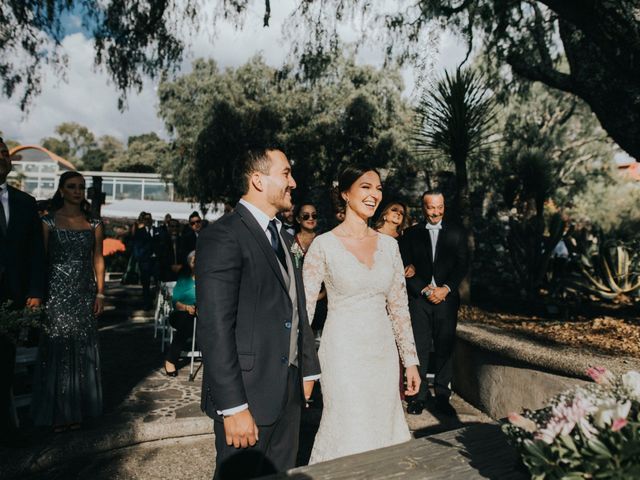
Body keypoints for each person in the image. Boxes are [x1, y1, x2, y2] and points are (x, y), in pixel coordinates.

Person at [195, 148, 321, 480]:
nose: (293, 182)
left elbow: (297, 305)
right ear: (258, 180)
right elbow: (215, 327)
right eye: (286, 174)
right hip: (247, 397)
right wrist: (233, 408)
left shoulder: (285, 236)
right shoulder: (223, 235)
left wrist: (307, 369)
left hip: (288, 392)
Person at [302, 164, 420, 464]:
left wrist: (411, 362)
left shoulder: (390, 247)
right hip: (342, 355)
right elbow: (304, 311)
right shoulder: (323, 245)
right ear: (346, 193)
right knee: (348, 430)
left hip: (382, 355)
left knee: (384, 430)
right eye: (366, 187)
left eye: (379, 188)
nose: (375, 194)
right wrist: (305, 368)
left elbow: (399, 308)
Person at [31, 171, 105, 431]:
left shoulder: (94, 223)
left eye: (81, 187)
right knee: (57, 348)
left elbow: (98, 258)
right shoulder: (48, 222)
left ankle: (79, 411)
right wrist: (37, 294)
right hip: (56, 293)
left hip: (84, 293)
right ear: (61, 190)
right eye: (72, 187)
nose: (77, 191)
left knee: (82, 348)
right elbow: (40, 259)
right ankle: (58, 413)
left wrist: (100, 293)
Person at [399, 190, 468, 416]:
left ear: (444, 206)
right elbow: (405, 266)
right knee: (419, 347)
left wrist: (445, 289)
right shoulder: (410, 234)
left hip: (446, 299)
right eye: (431, 207)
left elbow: (462, 265)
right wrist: (424, 289)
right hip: (419, 299)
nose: (435, 212)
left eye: (439, 207)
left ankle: (442, 396)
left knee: (444, 347)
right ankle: (417, 397)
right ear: (423, 207)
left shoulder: (457, 233)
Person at [0, 137, 45, 446]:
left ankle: (6, 429)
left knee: (5, 362)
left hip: (13, 298)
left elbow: (36, 255)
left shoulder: (25, 202)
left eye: (4, 153)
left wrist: (35, 291)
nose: (1, 157)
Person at [293, 203, 326, 333]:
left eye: (314, 215)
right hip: (298, 300)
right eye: (306, 216)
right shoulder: (291, 241)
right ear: (298, 219)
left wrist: (322, 294)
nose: (311, 218)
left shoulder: (323, 241)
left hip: (322, 300)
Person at [164, 250, 196, 376]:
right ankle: (171, 359)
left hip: (201, 314)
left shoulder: (207, 279)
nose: (197, 262)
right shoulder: (184, 278)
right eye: (194, 260)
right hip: (181, 313)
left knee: (192, 322)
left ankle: (171, 359)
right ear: (189, 263)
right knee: (187, 321)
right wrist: (187, 307)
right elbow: (175, 301)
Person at [132, 211, 158, 309]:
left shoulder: (157, 230)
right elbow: (136, 246)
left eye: (149, 219)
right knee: (145, 284)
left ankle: (156, 302)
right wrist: (139, 259)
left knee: (157, 283)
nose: (148, 221)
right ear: (143, 220)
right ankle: (146, 303)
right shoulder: (140, 232)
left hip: (156, 261)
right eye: (146, 219)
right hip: (145, 261)